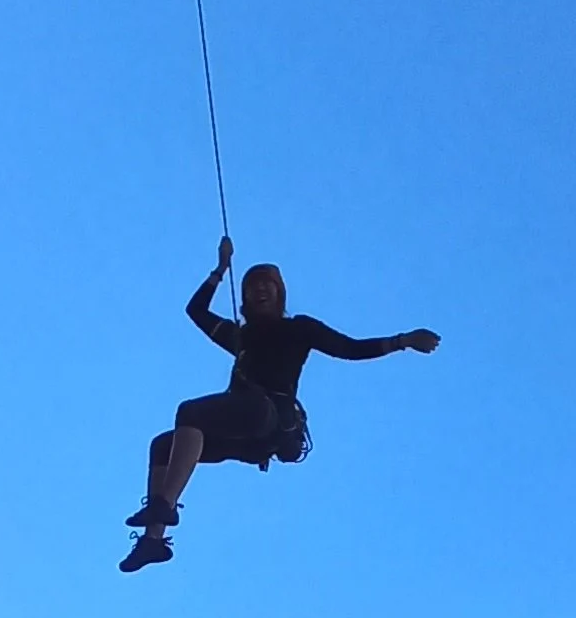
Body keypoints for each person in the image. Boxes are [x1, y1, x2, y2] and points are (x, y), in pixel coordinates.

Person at [121, 235, 440, 571]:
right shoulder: (239, 336)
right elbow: (195, 310)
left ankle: (164, 505)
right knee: (163, 445)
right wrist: (220, 270)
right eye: (251, 285)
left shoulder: (298, 328)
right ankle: (153, 542)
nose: (259, 289)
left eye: (267, 284)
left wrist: (402, 341)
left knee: (190, 412)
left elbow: (350, 348)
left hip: (268, 415)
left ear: (279, 293)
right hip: (243, 433)